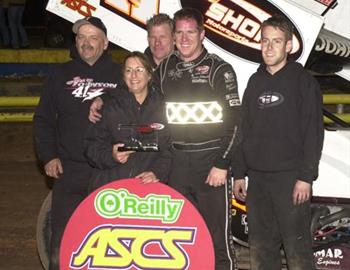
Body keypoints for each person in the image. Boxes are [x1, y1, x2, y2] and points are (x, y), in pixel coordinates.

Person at [232, 14, 324, 270]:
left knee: (298, 253)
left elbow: (313, 132)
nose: (269, 47)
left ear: (289, 46)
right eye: (265, 41)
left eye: (276, 41)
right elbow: (243, 130)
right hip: (258, 182)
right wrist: (239, 173)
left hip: (291, 180)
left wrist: (306, 177)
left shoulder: (303, 82)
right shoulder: (255, 81)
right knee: (261, 251)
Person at [33, 16, 122, 270]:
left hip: (108, 171)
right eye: (81, 37)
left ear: (105, 43)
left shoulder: (121, 74)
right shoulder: (59, 74)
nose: (87, 43)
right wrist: (48, 155)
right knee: (63, 240)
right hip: (69, 170)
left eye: (93, 37)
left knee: (108, 238)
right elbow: (43, 119)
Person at [157, 8, 241, 270]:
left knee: (218, 241)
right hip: (177, 163)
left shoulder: (220, 70)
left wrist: (222, 163)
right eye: (179, 32)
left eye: (190, 32)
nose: (184, 38)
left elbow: (237, 123)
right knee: (180, 236)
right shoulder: (165, 68)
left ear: (202, 34)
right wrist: (102, 100)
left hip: (210, 163)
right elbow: (144, 101)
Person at [85, 51, 172, 189]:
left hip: (147, 189)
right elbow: (91, 149)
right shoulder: (108, 107)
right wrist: (111, 156)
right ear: (123, 76)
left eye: (139, 70)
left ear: (149, 75)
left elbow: (168, 150)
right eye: (129, 70)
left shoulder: (163, 107)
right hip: (111, 188)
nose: (134, 75)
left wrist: (157, 173)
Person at [88, 13, 174, 123]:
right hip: (145, 134)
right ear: (148, 39)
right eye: (153, 37)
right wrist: (101, 99)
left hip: (180, 136)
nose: (157, 42)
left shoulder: (187, 68)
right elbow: (119, 90)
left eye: (163, 37)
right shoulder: (132, 66)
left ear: (173, 38)